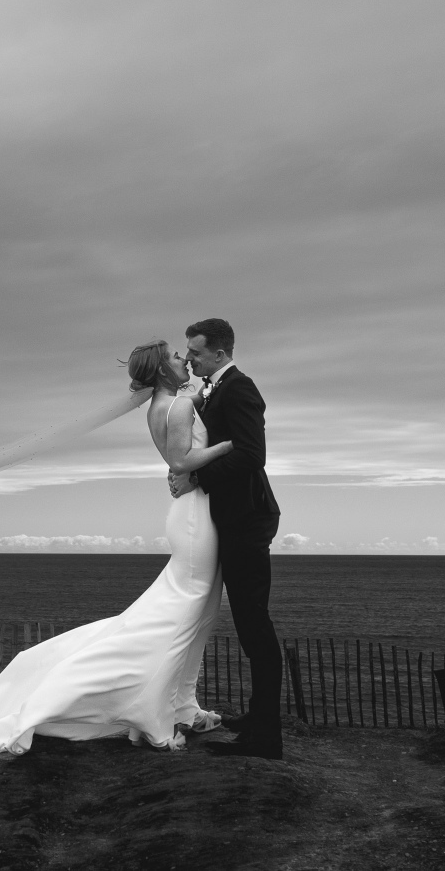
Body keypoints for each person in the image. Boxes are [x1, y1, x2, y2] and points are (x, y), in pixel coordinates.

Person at [0, 338, 240, 811]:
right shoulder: (177, 406)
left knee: (201, 612)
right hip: (194, 517)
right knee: (186, 611)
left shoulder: (168, 403)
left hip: (194, 510)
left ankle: (184, 704)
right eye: (174, 356)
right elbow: (180, 463)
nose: (182, 359)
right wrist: (229, 445)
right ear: (161, 371)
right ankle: (157, 714)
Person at [176, 317, 283, 759]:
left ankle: (267, 739)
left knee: (254, 623)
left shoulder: (240, 388)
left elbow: (252, 455)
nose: (189, 359)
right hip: (234, 517)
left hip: (248, 517)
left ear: (219, 353)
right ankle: (258, 717)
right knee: (247, 623)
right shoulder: (215, 389)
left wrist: (198, 478)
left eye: (196, 352)